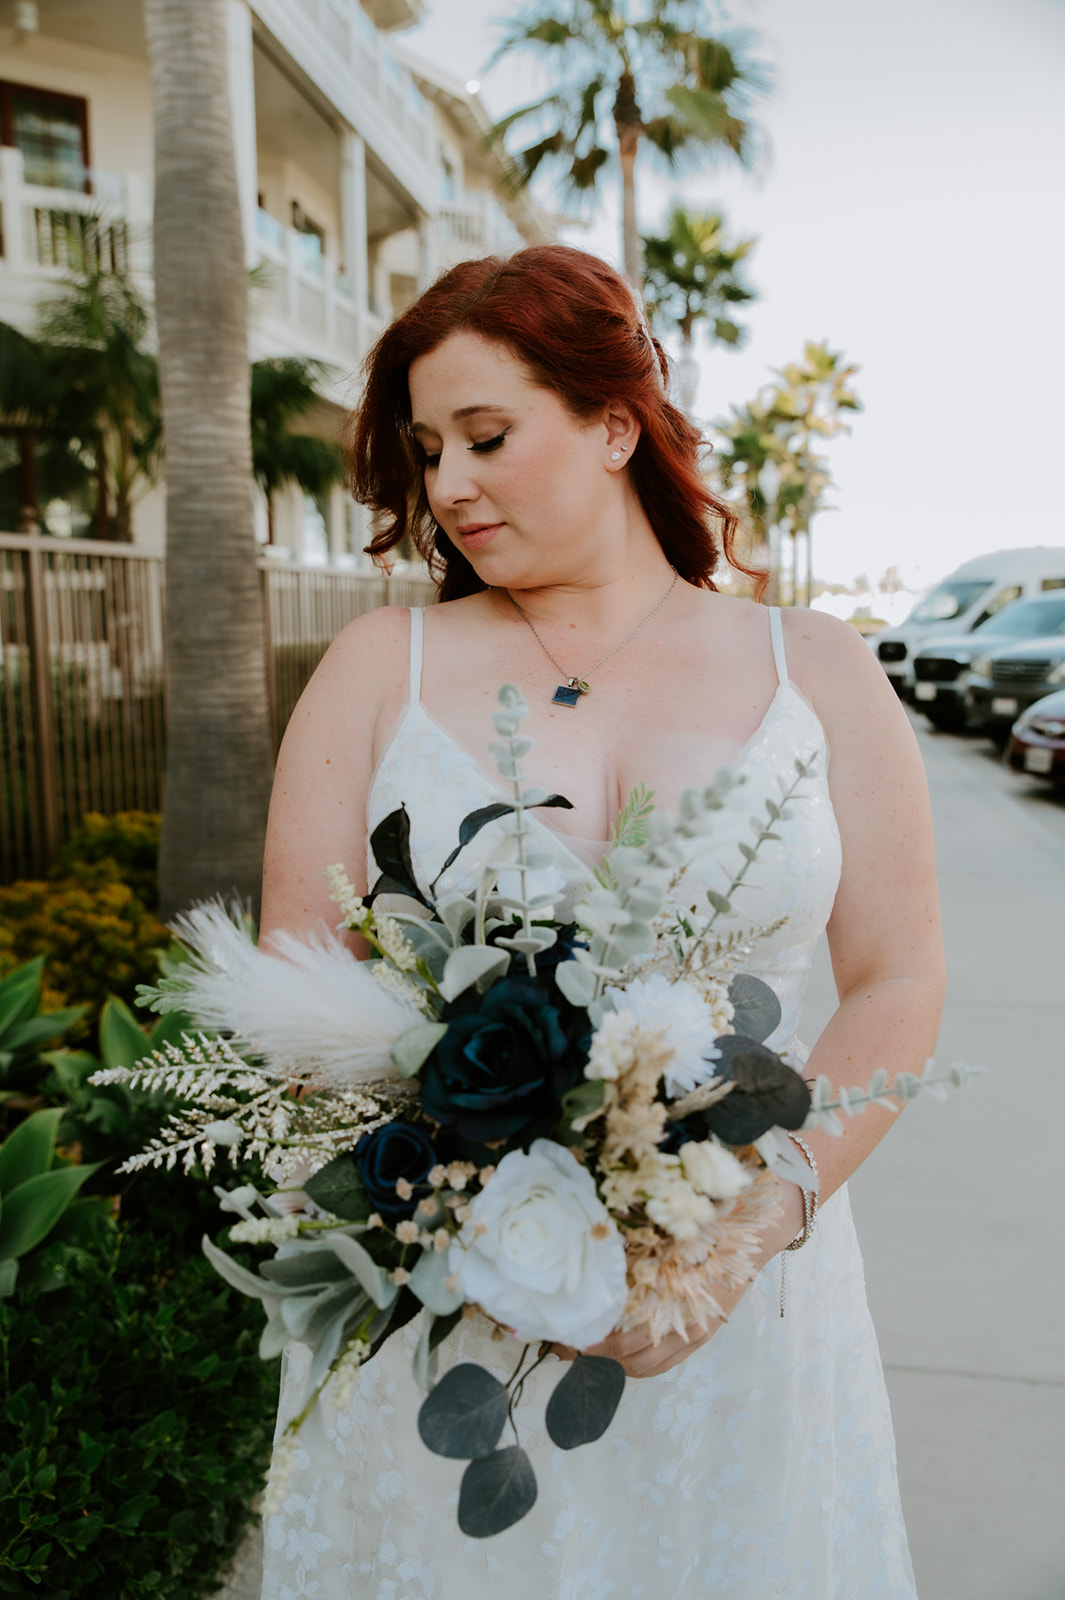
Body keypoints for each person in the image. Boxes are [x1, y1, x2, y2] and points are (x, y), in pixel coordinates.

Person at [258, 244, 944, 1599]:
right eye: (425, 451)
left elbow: (895, 975)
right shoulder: (372, 668)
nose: (447, 486)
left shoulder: (815, 669)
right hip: (451, 1309)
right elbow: (299, 983)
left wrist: (745, 1228)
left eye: (486, 437)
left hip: (749, 1297)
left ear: (616, 425)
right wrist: (480, 1208)